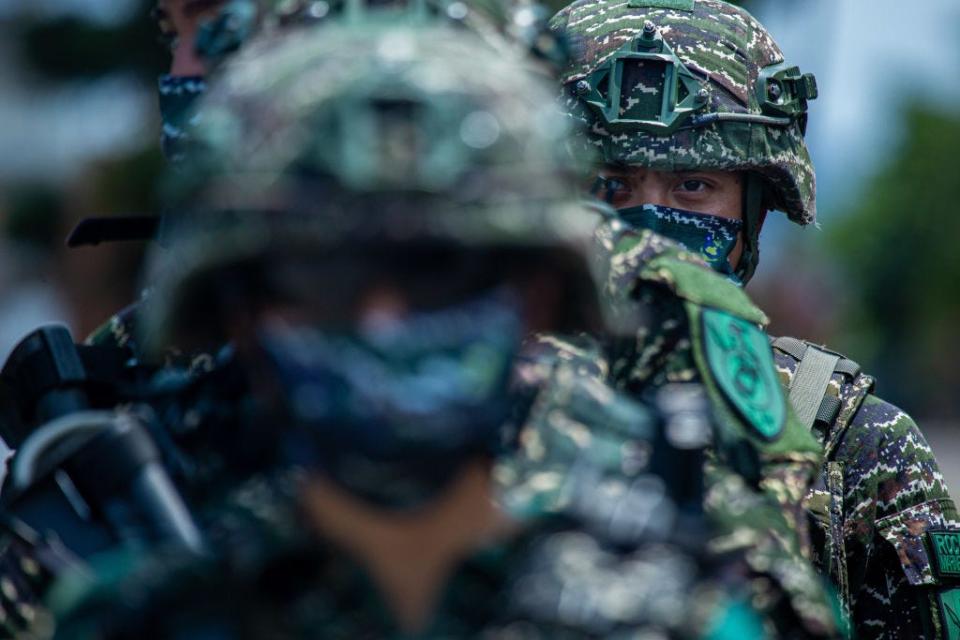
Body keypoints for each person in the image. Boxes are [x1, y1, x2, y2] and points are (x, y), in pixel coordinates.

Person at [44, 16, 816, 639]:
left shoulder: (674, 619)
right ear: (243, 312)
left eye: (442, 271)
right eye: (327, 275)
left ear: (541, 301)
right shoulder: (133, 616)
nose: (385, 318)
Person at [549, 0, 960, 636]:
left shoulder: (851, 445)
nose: (649, 228)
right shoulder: (465, 419)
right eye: (611, 183)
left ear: (756, 209)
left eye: (692, 187)